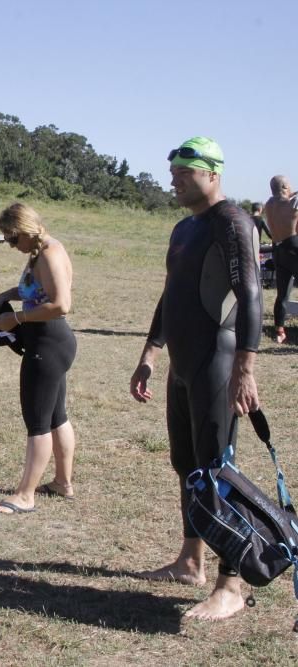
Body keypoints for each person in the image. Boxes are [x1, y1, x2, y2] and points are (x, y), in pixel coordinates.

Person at [130, 137, 261, 621]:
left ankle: (232, 583)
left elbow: (250, 297)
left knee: (219, 472)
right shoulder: (184, 228)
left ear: (211, 173)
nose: (174, 181)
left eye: (184, 173)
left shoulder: (234, 223)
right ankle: (191, 561)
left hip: (219, 363)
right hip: (183, 365)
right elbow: (171, 296)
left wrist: (245, 368)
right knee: (187, 465)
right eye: (174, 173)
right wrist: (149, 352)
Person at [0, 203, 77, 514]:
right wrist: (9, 294)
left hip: (48, 344)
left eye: (13, 239)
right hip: (52, 343)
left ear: (26, 230)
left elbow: (61, 304)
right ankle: (62, 483)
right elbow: (38, 289)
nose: (13, 246)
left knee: (38, 422)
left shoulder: (50, 253)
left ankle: (25, 496)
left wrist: (17, 319)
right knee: (57, 416)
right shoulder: (41, 252)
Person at [263, 175, 298, 343]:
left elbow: (287, 196)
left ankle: (279, 332)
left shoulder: (269, 204)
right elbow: (292, 199)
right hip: (293, 246)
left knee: (282, 294)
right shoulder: (293, 204)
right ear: (285, 186)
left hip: (277, 249)